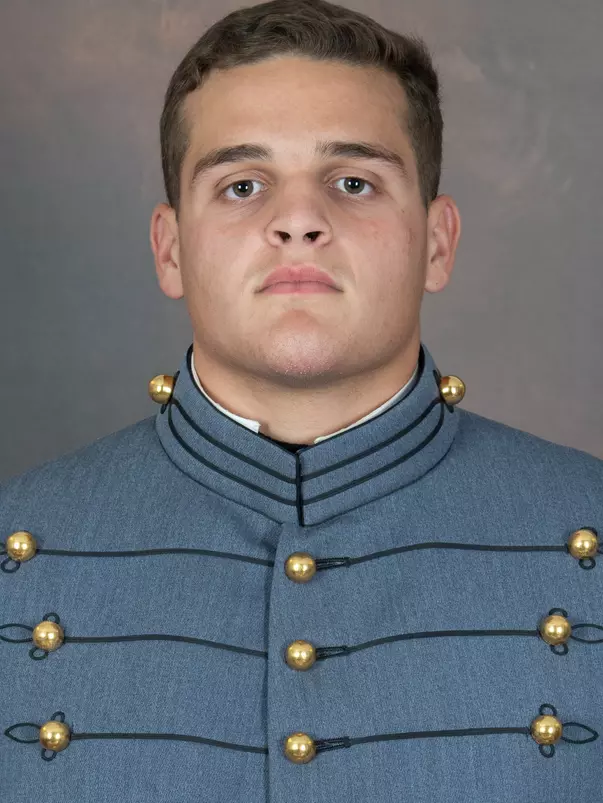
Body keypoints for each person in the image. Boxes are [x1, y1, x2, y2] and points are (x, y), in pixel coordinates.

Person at [1, 0, 601, 800]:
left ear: (436, 241)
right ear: (170, 249)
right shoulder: (16, 551)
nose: (298, 222)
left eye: (353, 181)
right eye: (243, 184)